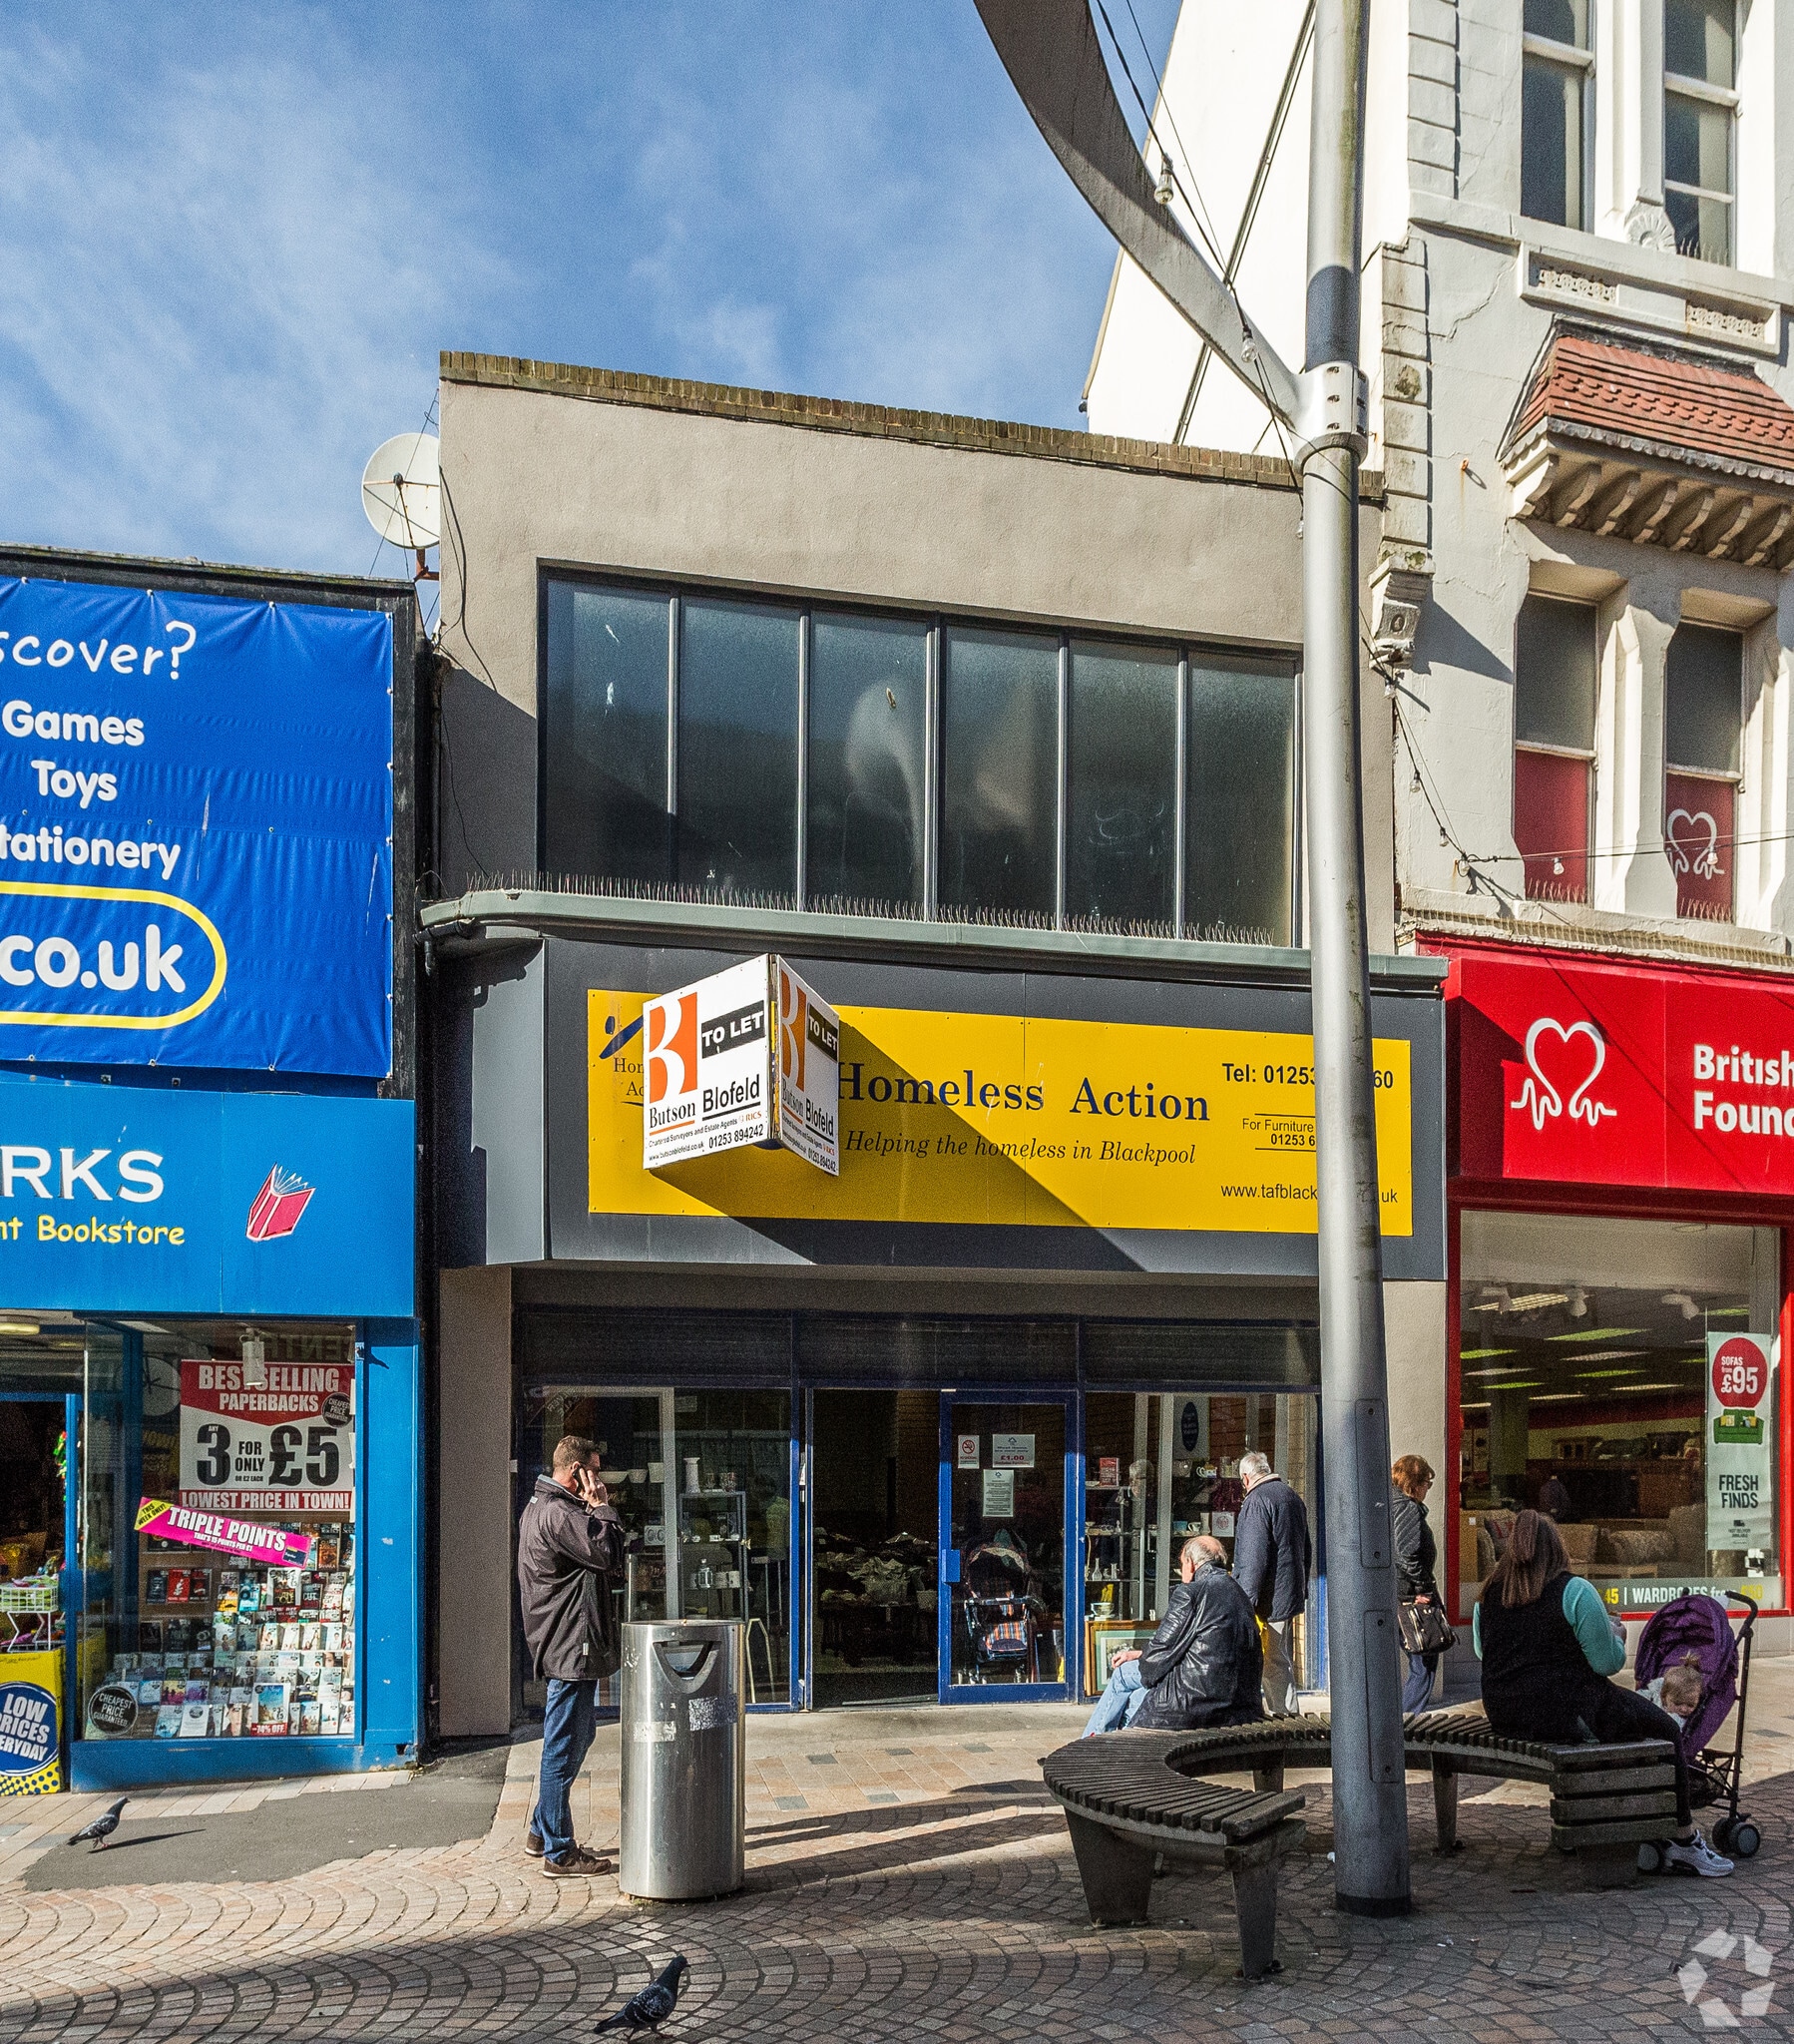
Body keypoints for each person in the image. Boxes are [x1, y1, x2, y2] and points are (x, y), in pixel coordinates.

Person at [1474, 1509, 1731, 1877]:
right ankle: (1683, 1838)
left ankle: (1636, 1826)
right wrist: (1617, 1636)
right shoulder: (1574, 1590)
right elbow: (1606, 1664)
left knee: (1628, 1726)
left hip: (1505, 1713)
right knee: (1666, 1731)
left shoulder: (1488, 1595)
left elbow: (1486, 1653)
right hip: (1568, 1711)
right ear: (1558, 1549)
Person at [517, 1433, 626, 1877]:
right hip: (569, 1645)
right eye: (594, 1470)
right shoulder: (561, 1514)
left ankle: (542, 1830)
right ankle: (559, 1852)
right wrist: (601, 1508)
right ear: (576, 1471)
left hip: (565, 1642)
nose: (599, 1479)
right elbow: (608, 1551)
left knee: (578, 1736)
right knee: (563, 1745)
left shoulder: (543, 1509)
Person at [1082, 1534, 1263, 1735]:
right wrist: (1140, 1654)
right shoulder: (1239, 1594)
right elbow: (1205, 1647)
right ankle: (1097, 1747)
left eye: (1182, 1564)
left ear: (1191, 1564)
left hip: (1197, 1703)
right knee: (1134, 1695)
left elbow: (1158, 1658)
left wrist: (1145, 1660)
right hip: (1239, 1705)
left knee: (1125, 1680)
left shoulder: (1191, 1592)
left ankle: (1088, 1748)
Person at [1230, 1448, 1311, 1718]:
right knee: (1276, 1658)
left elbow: (1253, 1557)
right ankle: (1285, 1714)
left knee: (1267, 1660)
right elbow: (1305, 1550)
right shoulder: (1291, 1496)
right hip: (1286, 1594)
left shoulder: (1256, 1501)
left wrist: (1244, 1601)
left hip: (1266, 1599)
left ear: (1245, 1477)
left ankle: (1284, 1717)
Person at [1391, 1454, 1443, 1713]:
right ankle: (1409, 1721)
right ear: (1415, 1484)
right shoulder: (1408, 1509)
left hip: (1395, 1593)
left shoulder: (1388, 1503)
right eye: (1427, 1483)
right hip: (1411, 1596)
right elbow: (1406, 1553)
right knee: (1424, 1659)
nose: (1427, 1490)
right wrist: (1422, 1589)